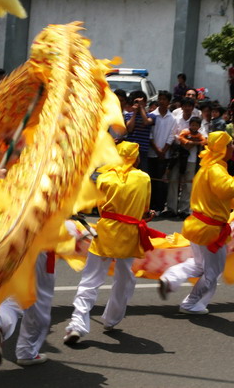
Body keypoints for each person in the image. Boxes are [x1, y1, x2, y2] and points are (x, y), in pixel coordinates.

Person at [64, 141, 156, 344]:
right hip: (129, 236)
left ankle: (76, 325)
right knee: (124, 280)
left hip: (105, 233)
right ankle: (111, 319)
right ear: (135, 158)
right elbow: (144, 210)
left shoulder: (104, 177)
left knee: (90, 281)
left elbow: (95, 205)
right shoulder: (143, 178)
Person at [159, 131, 234, 314]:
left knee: (199, 265)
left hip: (199, 226)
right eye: (229, 144)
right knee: (213, 272)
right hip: (209, 230)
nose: (232, 147)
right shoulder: (215, 169)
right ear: (223, 148)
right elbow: (229, 190)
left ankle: (171, 278)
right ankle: (190, 304)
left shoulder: (211, 168)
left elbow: (230, 200)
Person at [147, 90, 177, 215]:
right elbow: (150, 134)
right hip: (152, 153)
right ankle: (149, 206)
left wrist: (163, 151)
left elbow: (172, 136)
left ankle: (159, 207)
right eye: (160, 99)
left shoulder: (172, 118)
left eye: (165, 99)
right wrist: (156, 149)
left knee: (161, 182)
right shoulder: (152, 115)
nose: (162, 101)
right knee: (150, 180)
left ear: (169, 102)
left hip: (165, 155)